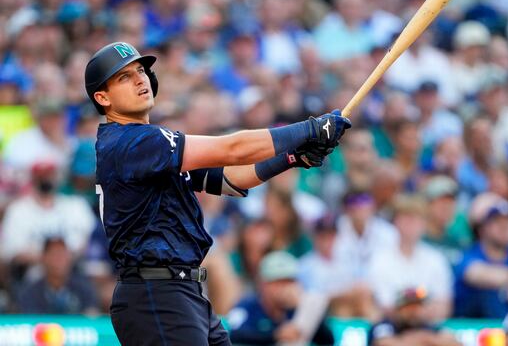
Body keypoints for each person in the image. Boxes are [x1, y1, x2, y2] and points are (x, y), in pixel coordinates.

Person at [84, 41, 351, 345]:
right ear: (102, 97)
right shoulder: (131, 142)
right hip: (156, 294)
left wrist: (293, 157)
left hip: (182, 293)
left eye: (140, 71)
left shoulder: (149, 146)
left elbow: (231, 180)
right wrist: (311, 128)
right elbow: (232, 149)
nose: (140, 79)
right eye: (124, 77)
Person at [227, 251, 335, 345]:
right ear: (263, 284)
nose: (285, 288)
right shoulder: (247, 305)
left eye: (289, 281)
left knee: (314, 299)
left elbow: (327, 340)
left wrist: (304, 307)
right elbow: (234, 335)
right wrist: (275, 336)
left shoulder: (297, 309)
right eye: (278, 282)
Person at [17, 237, 99, 315]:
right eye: (54, 255)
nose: (59, 260)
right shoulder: (30, 293)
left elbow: (92, 317)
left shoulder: (84, 289)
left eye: (62, 255)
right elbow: (28, 321)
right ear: (43, 258)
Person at [368, 287, 461, 346]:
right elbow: (384, 343)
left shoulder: (432, 327)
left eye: (417, 306)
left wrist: (424, 337)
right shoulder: (385, 325)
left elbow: (455, 343)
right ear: (398, 309)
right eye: (409, 307)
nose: (414, 311)